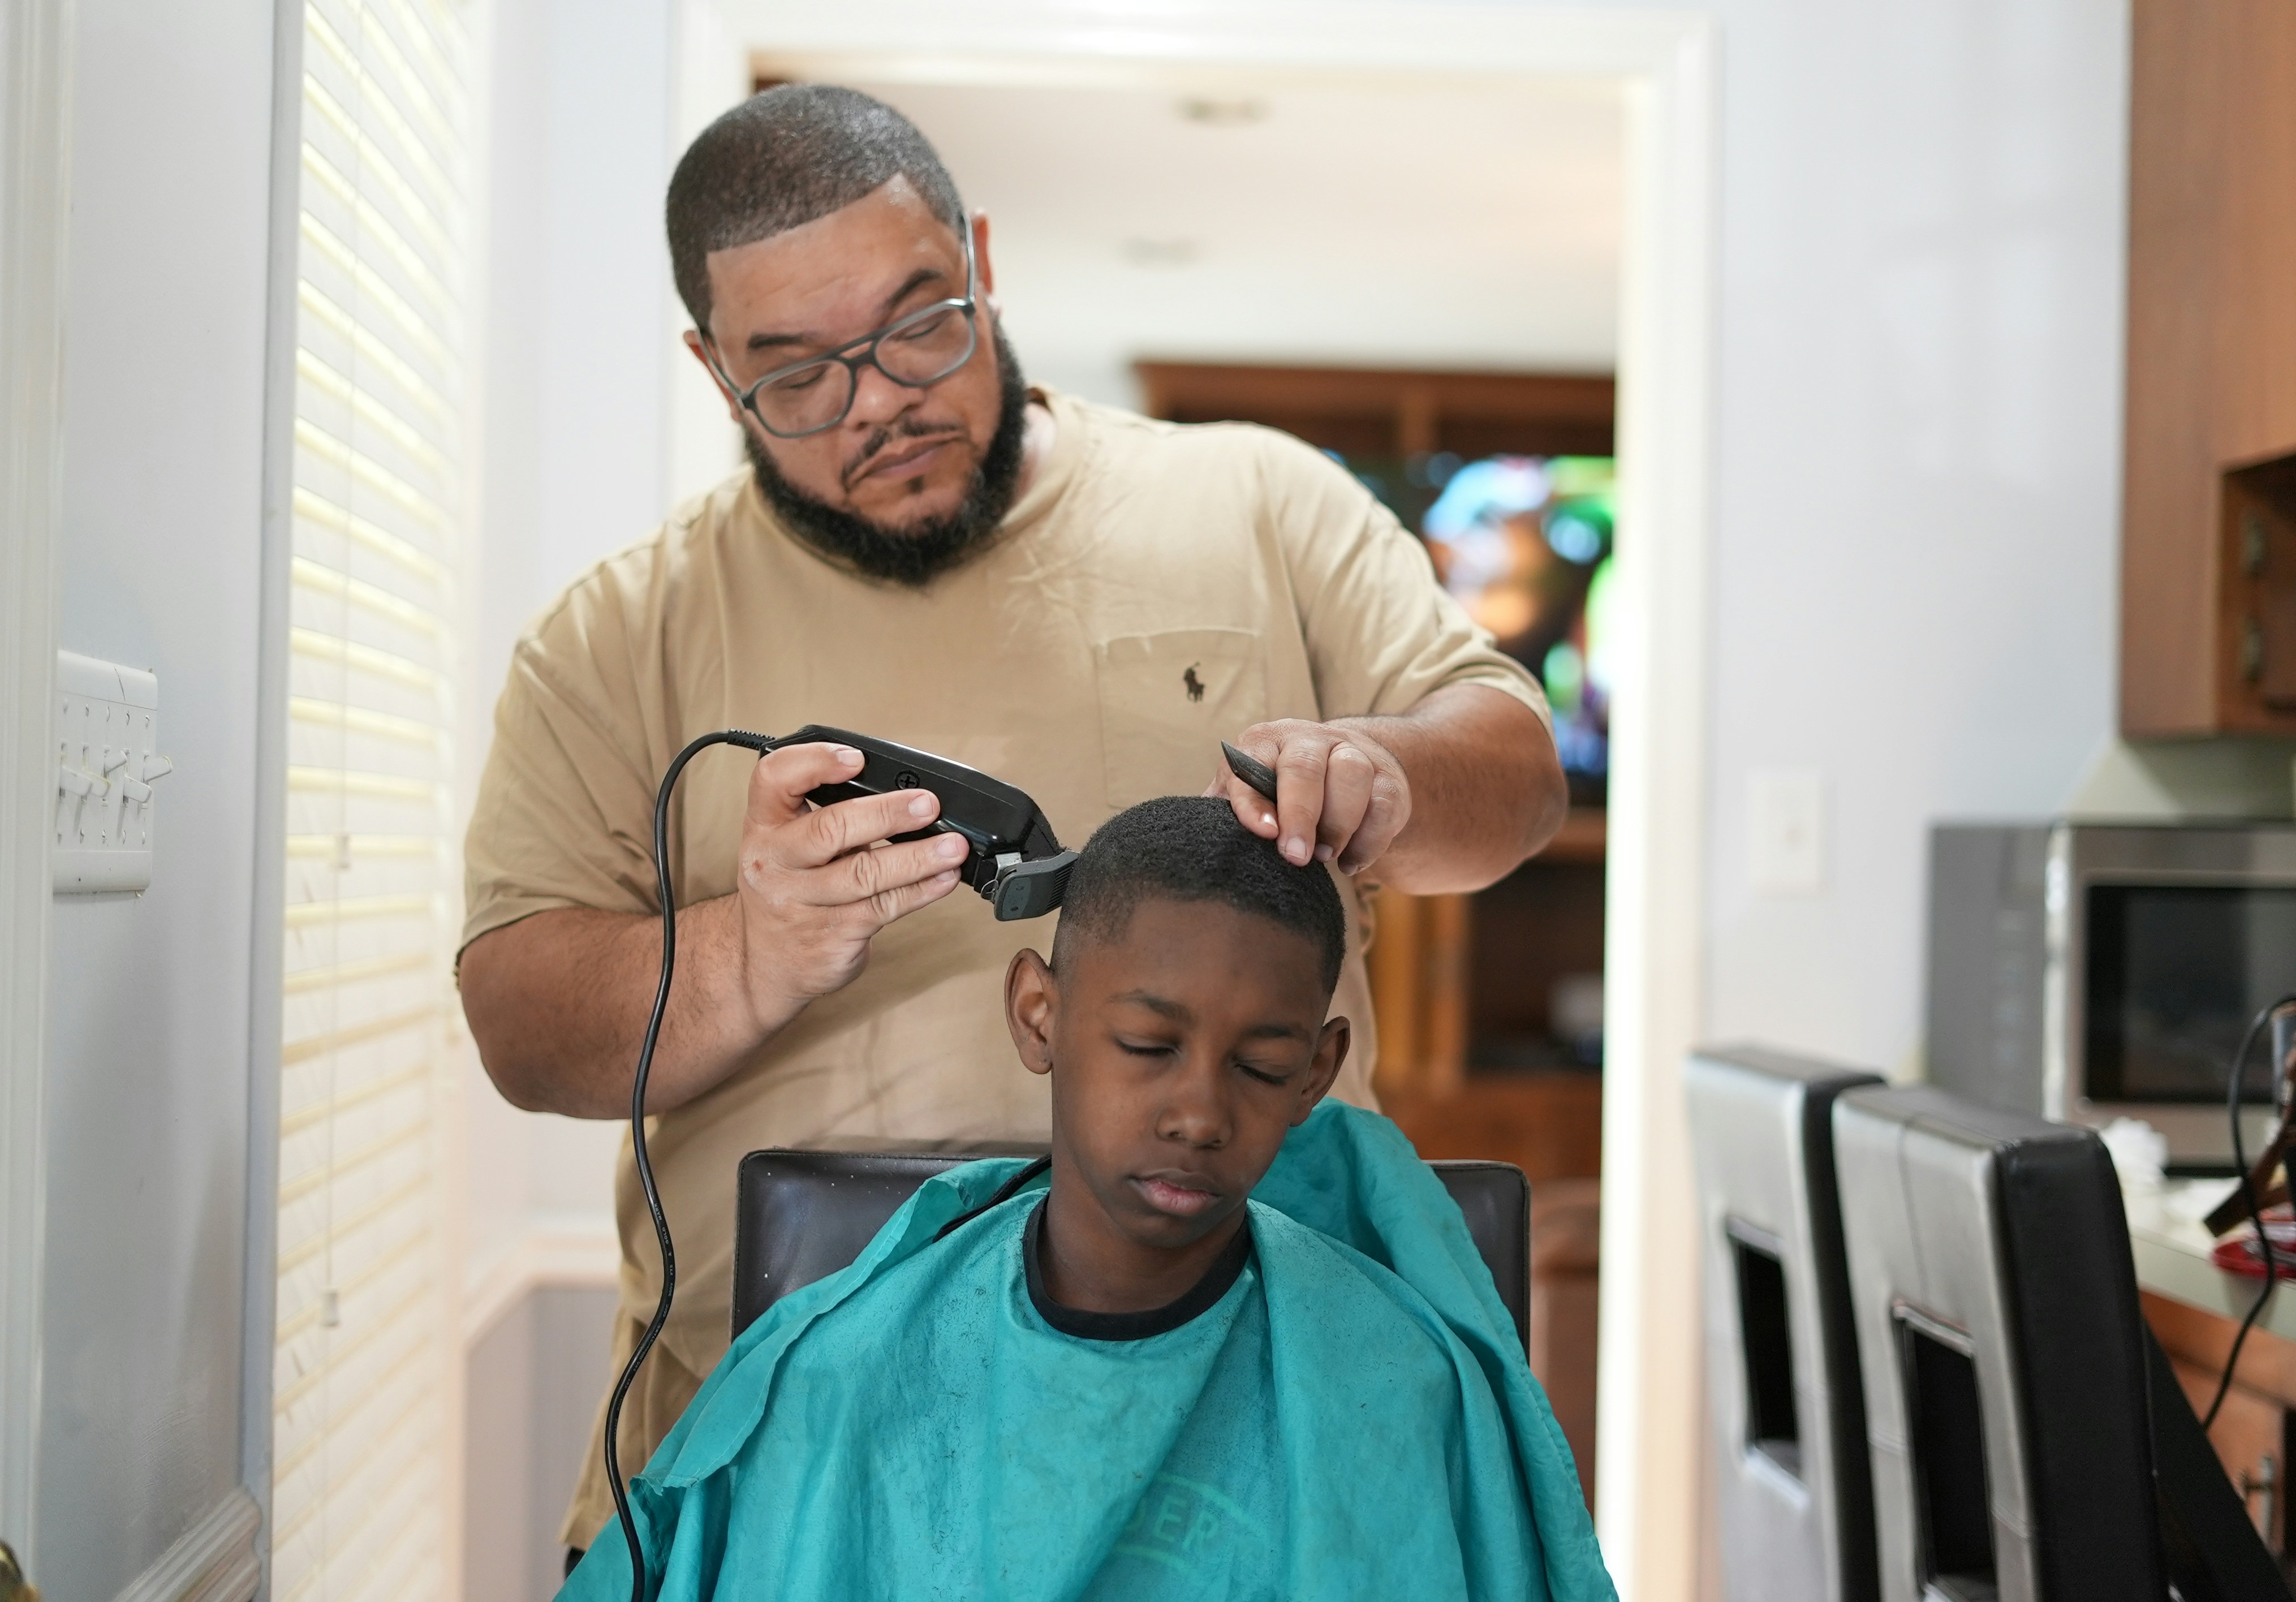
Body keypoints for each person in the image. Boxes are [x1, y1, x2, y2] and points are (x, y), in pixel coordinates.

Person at [456, 84, 1569, 1552]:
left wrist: (1395, 780)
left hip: (1242, 1474)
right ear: (712, 367)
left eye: (921, 324)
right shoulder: (617, 640)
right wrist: (753, 950)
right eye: (795, 375)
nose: (879, 403)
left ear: (980, 258)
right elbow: (522, 1030)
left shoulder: (1256, 505)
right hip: (799, 1488)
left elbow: (1515, 768)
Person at [557, 797, 1614, 1601]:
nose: (1198, 1111)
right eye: (1149, 1046)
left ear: (1318, 1074)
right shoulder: (845, 1374)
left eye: (1259, 1064)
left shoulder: (1398, 1387)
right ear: (1038, 1017)